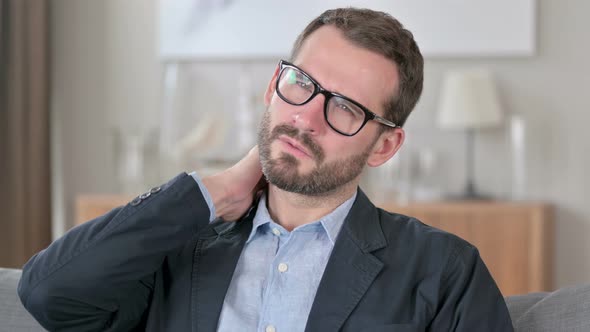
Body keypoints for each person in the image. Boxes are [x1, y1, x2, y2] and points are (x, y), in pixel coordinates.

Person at [18, 7, 514, 332]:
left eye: (344, 108)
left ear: (384, 146)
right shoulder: (178, 245)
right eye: (301, 83)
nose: (306, 118)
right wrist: (207, 193)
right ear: (274, 83)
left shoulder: (444, 271)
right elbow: (49, 294)